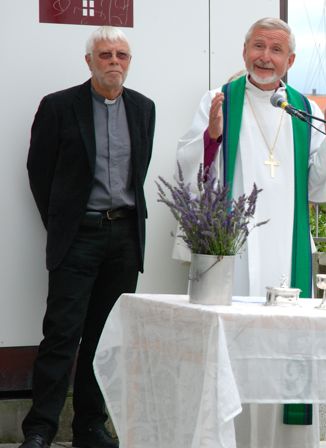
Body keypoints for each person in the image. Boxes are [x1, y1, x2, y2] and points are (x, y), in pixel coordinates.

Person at [175, 17, 326, 448]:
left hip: (287, 249)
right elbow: (189, 168)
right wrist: (212, 138)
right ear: (244, 51)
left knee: (287, 346)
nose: (265, 57)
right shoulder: (219, 100)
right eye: (259, 46)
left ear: (290, 60)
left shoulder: (304, 109)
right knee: (234, 349)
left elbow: (319, 187)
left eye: (276, 50)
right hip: (231, 250)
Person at [23, 26, 155, 448]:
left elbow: (141, 168)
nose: (114, 62)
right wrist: (64, 223)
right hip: (79, 236)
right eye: (105, 55)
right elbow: (40, 172)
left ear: (129, 61)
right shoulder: (60, 107)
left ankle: (89, 427)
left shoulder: (144, 108)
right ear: (89, 61)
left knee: (105, 338)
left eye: (121, 55)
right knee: (62, 335)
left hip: (125, 237)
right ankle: (40, 429)